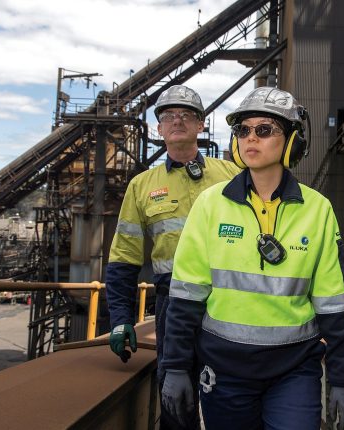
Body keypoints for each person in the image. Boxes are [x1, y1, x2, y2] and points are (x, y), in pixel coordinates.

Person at [160, 87, 344, 430]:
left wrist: (343, 378)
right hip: (224, 370)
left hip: (294, 369)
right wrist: (176, 367)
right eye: (243, 130)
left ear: (293, 141)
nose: (251, 138)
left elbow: (334, 304)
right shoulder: (210, 204)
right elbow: (186, 296)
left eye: (264, 129)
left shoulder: (317, 210)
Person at [105, 84, 241, 430]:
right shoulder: (142, 186)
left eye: (186, 115)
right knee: (177, 400)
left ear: (201, 125)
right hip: (174, 302)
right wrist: (120, 319)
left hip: (230, 299)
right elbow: (123, 260)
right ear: (159, 128)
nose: (177, 121)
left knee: (234, 395)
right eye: (168, 116)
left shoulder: (231, 176)